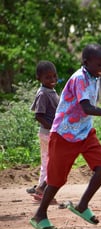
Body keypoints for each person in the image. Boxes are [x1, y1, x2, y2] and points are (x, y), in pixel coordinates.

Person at [30, 44, 101, 229]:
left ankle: (82, 205)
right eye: (99, 64)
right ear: (86, 62)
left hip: (85, 132)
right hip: (64, 134)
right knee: (56, 180)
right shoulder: (80, 78)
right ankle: (40, 215)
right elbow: (87, 108)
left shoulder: (94, 77)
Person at [26, 61, 60, 203]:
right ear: (39, 78)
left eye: (54, 76)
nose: (52, 80)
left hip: (49, 133)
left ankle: (41, 192)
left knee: (47, 164)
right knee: (53, 164)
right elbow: (38, 115)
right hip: (48, 133)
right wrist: (53, 128)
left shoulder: (50, 91)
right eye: (47, 77)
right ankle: (43, 192)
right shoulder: (43, 94)